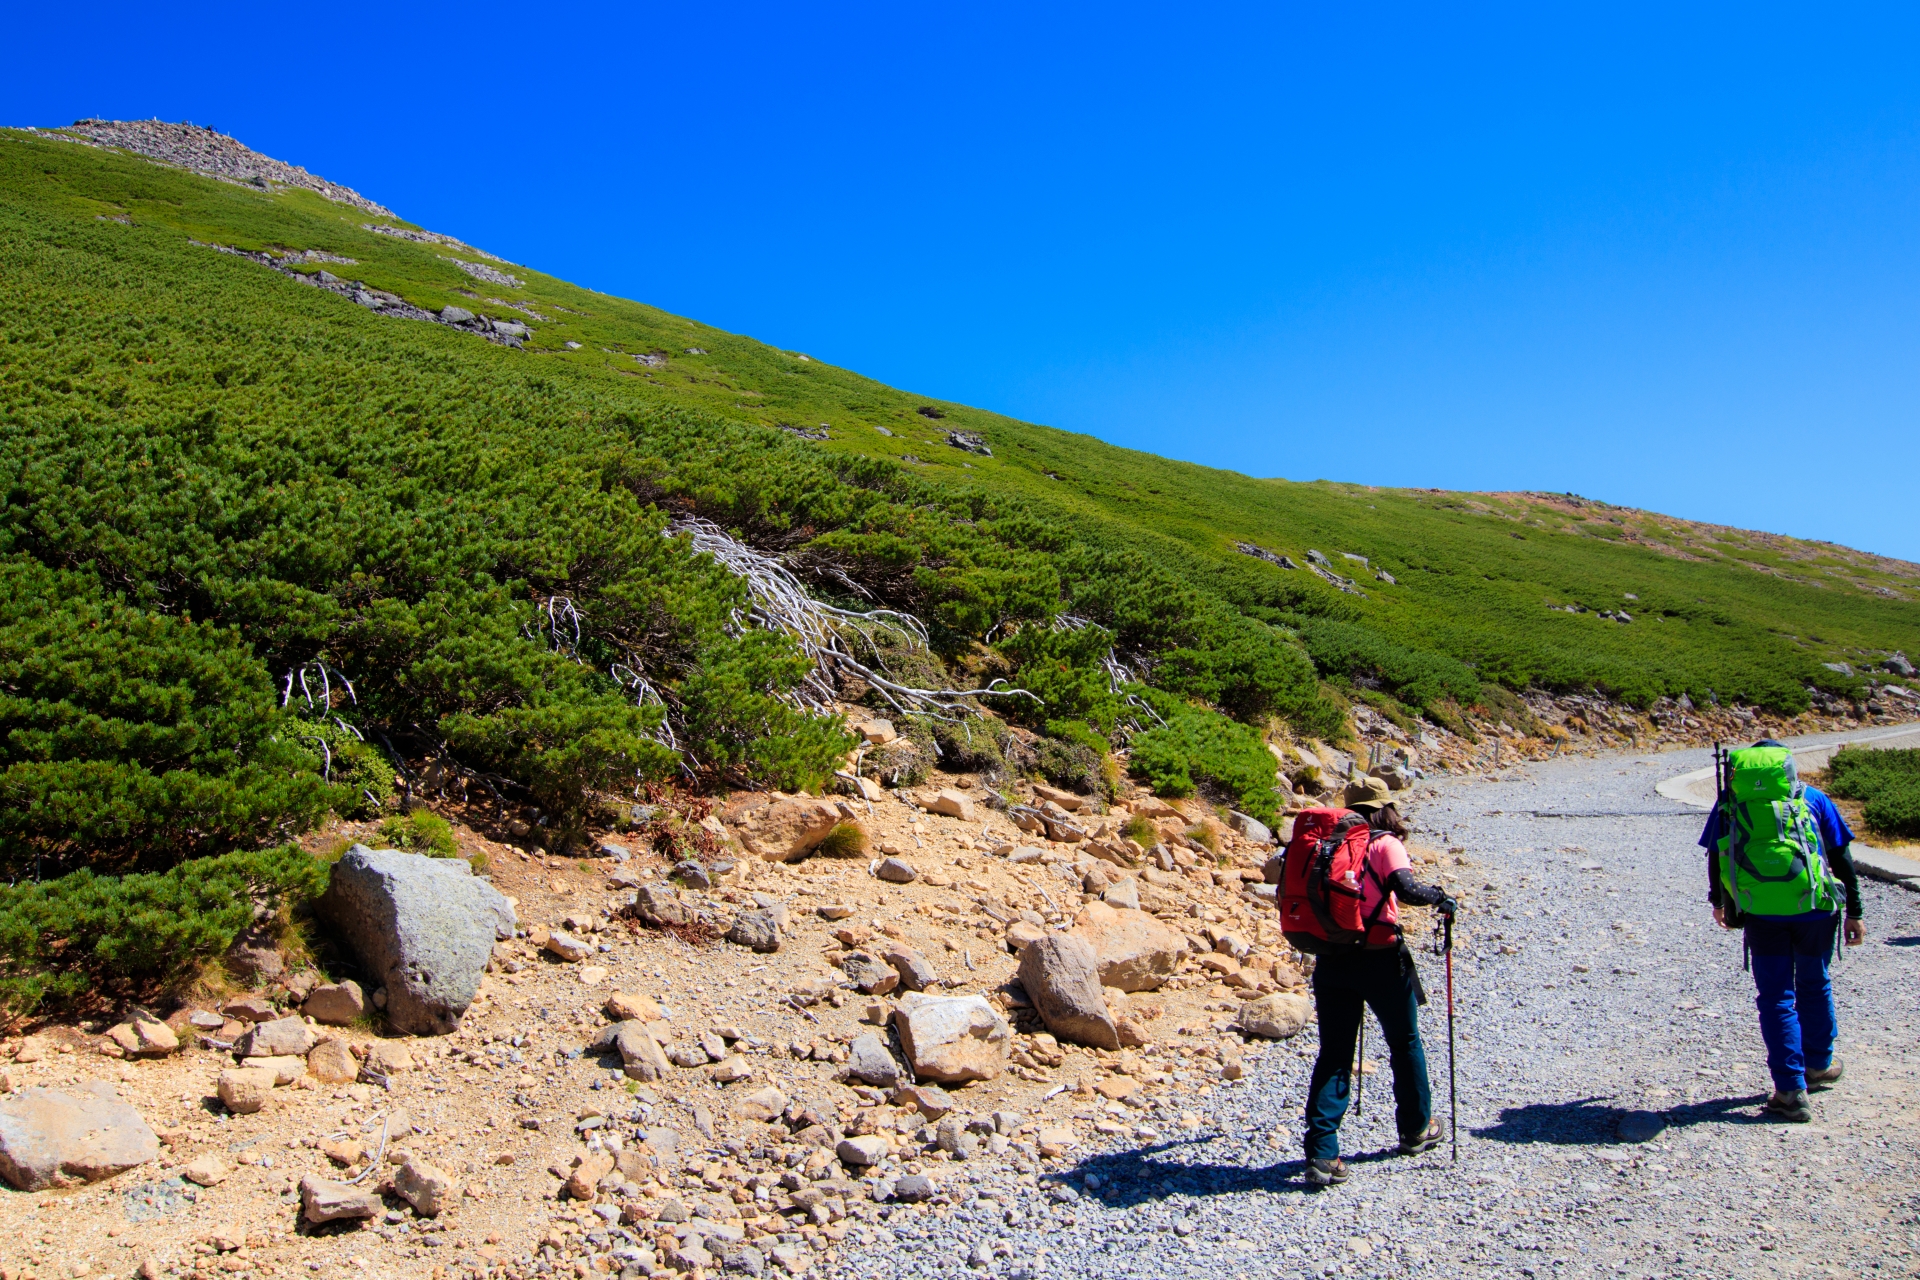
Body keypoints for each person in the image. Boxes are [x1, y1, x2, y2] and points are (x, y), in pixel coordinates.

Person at [1302, 775, 1457, 1186]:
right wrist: (1441, 896)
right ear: (1383, 808)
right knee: (1404, 1042)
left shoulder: (1326, 844)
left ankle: (1321, 1153)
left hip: (1332, 959)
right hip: (1381, 959)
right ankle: (1415, 1129)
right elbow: (1405, 890)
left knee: (1334, 1053)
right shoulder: (1384, 843)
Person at [1701, 739, 1866, 1123]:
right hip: (1815, 908)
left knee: (1776, 995)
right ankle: (1819, 1065)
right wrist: (1854, 911)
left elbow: (1716, 853)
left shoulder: (1731, 803)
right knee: (1815, 980)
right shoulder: (1814, 799)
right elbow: (1841, 857)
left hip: (1762, 912)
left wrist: (1720, 902)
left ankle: (1789, 1090)